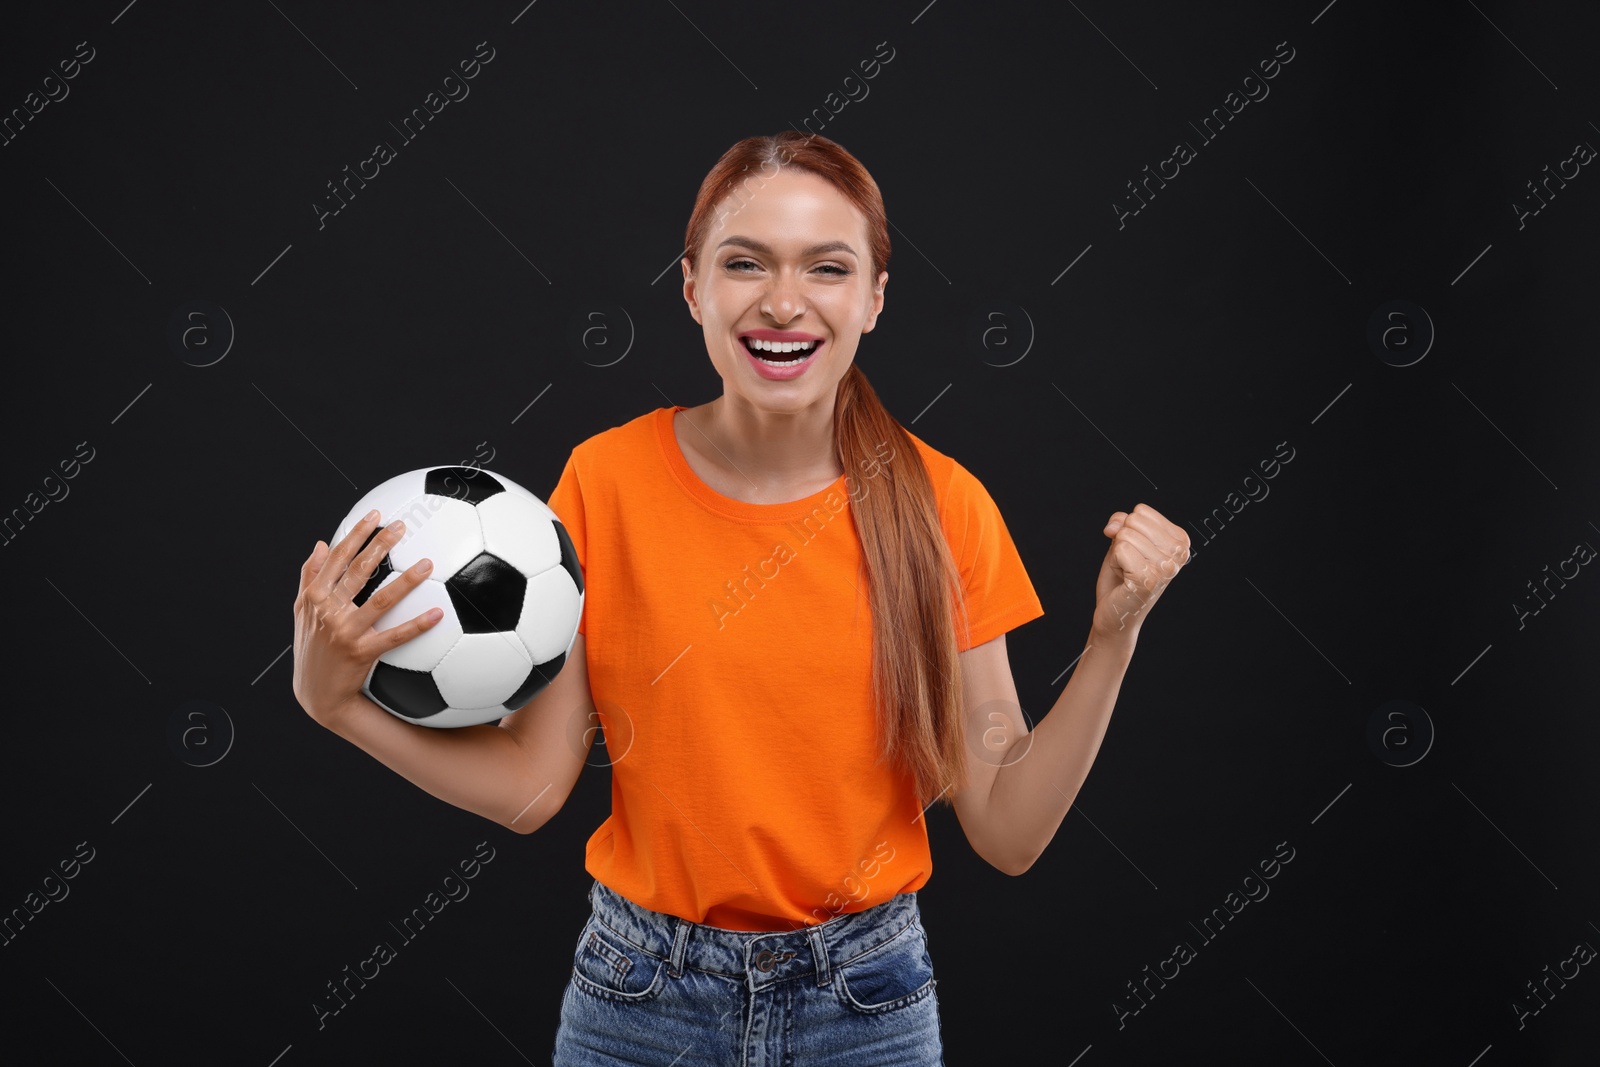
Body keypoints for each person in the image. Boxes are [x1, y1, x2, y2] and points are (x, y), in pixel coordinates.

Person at [290, 131, 1191, 1066]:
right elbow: (532, 787)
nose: (784, 301)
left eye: (828, 268)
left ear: (876, 297)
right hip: (639, 999)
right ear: (692, 287)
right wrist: (338, 704)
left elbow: (1006, 827)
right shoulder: (603, 484)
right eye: (745, 263)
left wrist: (1113, 636)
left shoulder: (942, 507)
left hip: (866, 1006)